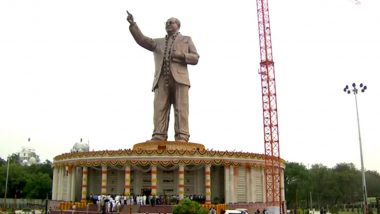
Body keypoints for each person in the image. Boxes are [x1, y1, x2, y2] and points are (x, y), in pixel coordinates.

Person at [126, 11, 200, 142]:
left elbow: (195, 58)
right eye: (166, 23)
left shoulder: (186, 40)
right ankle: (159, 135)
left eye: (171, 22)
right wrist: (133, 25)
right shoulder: (157, 42)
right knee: (160, 108)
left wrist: (181, 56)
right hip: (161, 78)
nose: (168, 24)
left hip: (180, 79)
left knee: (181, 109)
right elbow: (142, 40)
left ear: (178, 25)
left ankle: (182, 136)